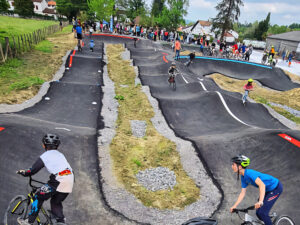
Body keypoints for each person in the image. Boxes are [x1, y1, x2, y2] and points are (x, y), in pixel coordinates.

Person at [17, 134, 74, 225]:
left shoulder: (45, 156)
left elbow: (32, 171)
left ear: (44, 145)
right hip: (70, 180)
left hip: (57, 180)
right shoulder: (60, 155)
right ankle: (60, 222)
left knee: (38, 196)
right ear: (57, 145)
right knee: (56, 202)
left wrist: (23, 172)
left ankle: (29, 221)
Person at [230, 155, 282, 225]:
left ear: (239, 167)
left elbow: (262, 185)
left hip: (276, 188)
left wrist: (260, 201)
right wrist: (235, 206)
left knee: (262, 212)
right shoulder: (243, 177)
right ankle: (268, 219)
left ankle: (267, 218)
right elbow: (242, 193)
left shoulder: (249, 173)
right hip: (268, 191)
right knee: (258, 213)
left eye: (233, 164)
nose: (232, 166)